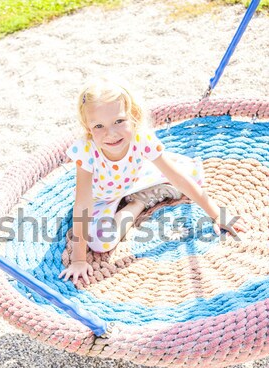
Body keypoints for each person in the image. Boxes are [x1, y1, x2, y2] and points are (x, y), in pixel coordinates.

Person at [59, 77, 247, 285]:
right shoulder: (86, 151)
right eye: (99, 126)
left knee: (190, 175)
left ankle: (143, 190)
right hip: (102, 198)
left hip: (137, 178)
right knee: (101, 242)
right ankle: (138, 202)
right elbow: (83, 204)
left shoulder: (140, 138)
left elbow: (179, 179)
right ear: (88, 128)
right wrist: (78, 258)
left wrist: (216, 214)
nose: (110, 133)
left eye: (119, 121)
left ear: (133, 116)